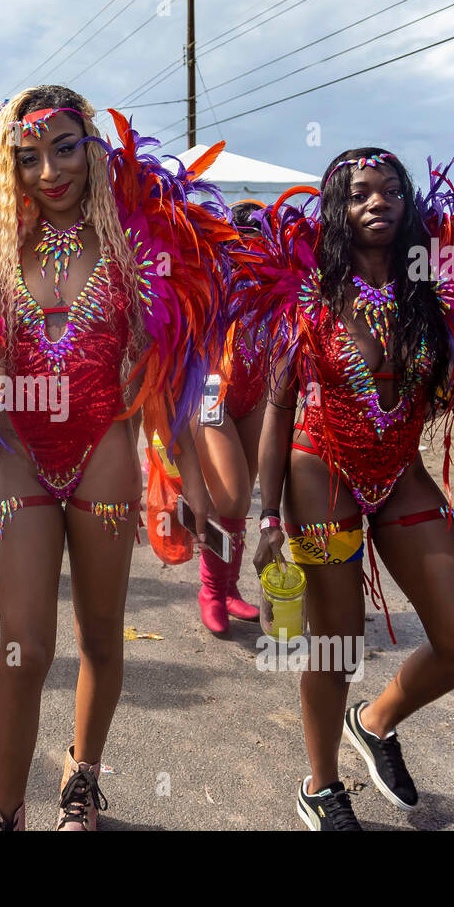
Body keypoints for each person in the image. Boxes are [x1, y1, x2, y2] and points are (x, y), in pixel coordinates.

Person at [0, 86, 232, 830]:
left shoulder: (139, 250)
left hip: (104, 458)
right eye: (28, 158)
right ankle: (4, 808)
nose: (49, 171)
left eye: (64, 149)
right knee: (22, 645)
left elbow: (164, 373)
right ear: (7, 166)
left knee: (99, 634)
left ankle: (80, 778)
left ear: (94, 149)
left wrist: (187, 477)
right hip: (21, 457)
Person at [244, 149, 454, 831]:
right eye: (359, 194)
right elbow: (276, 406)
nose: (377, 202)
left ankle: (376, 720)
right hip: (319, 472)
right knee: (337, 647)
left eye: (391, 191)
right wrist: (267, 516)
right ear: (338, 210)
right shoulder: (308, 297)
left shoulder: (437, 296)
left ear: (409, 205)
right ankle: (321, 786)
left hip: (401, 475)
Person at [194, 200, 268, 633]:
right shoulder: (207, 275)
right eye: (242, 242)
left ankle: (229, 588)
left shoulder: (278, 283)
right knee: (233, 496)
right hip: (209, 389)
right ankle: (210, 588)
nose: (251, 251)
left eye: (259, 242)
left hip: (256, 392)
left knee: (238, 505)